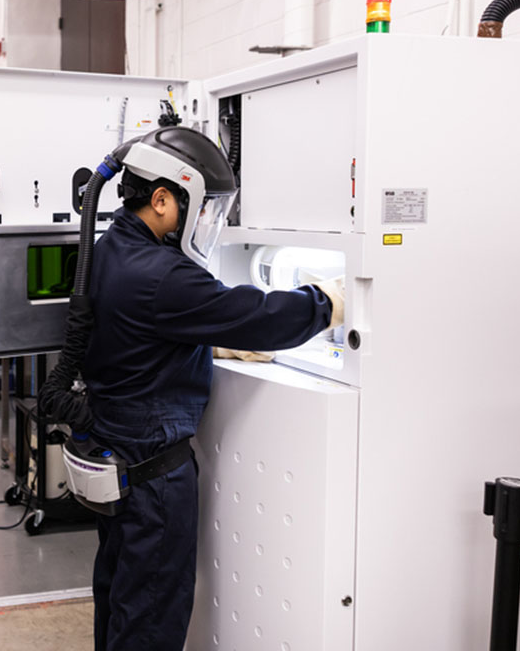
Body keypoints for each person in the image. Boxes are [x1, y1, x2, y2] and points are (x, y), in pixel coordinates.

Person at [83, 126, 342, 651]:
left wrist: (205, 345)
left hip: (114, 460)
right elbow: (258, 316)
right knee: (151, 615)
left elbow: (139, 335)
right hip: (153, 480)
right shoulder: (162, 274)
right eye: (199, 208)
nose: (204, 223)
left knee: (118, 598)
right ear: (160, 199)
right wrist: (328, 300)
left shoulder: (110, 250)